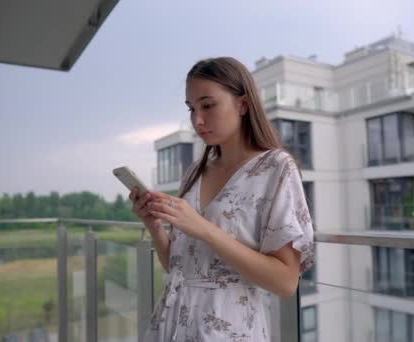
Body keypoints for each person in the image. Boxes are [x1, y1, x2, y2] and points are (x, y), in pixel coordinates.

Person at [129, 57, 314, 341]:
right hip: (170, 324)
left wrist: (204, 229)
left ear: (242, 104)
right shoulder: (195, 172)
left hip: (228, 329)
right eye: (191, 109)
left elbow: (286, 282)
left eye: (208, 105)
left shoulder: (275, 168)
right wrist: (154, 224)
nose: (197, 120)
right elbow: (179, 266)